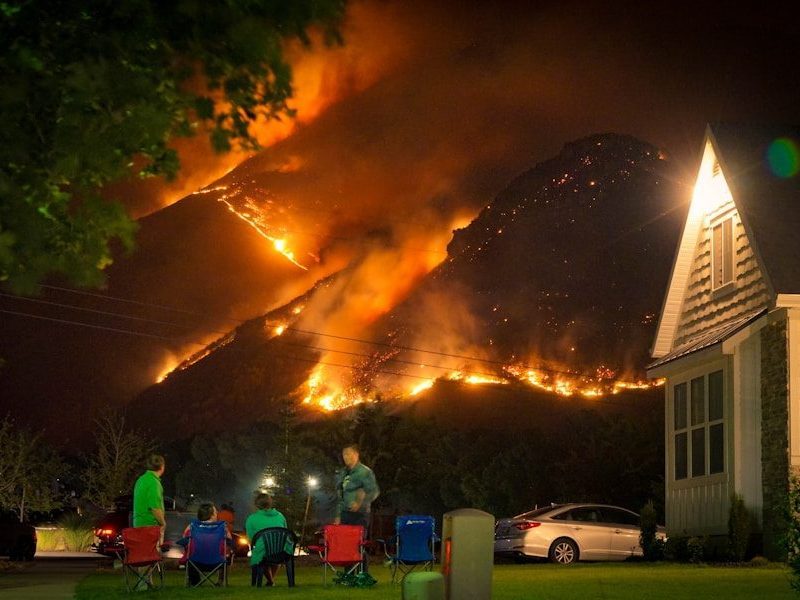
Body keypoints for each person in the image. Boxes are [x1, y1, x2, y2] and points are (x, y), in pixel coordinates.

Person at [334, 443, 379, 573]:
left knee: (358, 544)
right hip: (345, 514)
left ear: (356, 454)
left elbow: (374, 491)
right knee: (347, 546)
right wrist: (338, 515)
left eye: (349, 453)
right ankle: (349, 574)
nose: (346, 457)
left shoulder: (364, 472)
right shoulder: (344, 473)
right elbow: (340, 495)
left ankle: (362, 574)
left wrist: (360, 502)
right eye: (344, 454)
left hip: (360, 514)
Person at [131, 454, 165, 591]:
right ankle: (143, 585)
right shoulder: (153, 482)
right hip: (149, 524)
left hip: (138, 523)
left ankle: (145, 584)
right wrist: (163, 522)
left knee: (143, 555)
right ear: (162, 467)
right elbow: (154, 507)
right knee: (149, 555)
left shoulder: (141, 480)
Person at [180, 502, 231, 585]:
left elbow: (184, 540)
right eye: (215, 512)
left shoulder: (192, 526)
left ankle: (194, 581)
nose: (217, 513)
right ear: (212, 515)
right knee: (226, 554)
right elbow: (229, 541)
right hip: (217, 562)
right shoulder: (222, 527)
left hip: (195, 562)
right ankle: (220, 581)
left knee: (189, 553)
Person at [245, 492, 289, 586]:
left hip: (263, 551)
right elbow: (285, 532)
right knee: (275, 557)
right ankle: (270, 581)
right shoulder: (280, 516)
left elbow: (251, 539)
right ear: (270, 503)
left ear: (257, 504)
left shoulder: (252, 519)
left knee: (261, 556)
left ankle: (270, 581)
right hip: (280, 551)